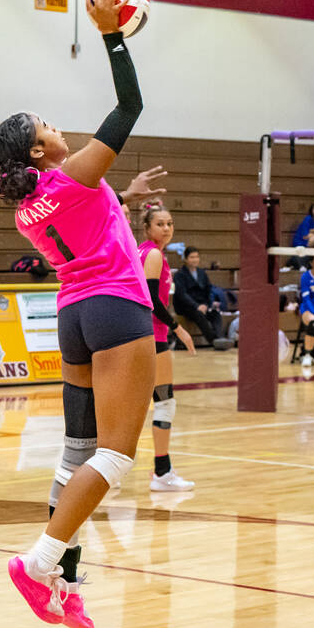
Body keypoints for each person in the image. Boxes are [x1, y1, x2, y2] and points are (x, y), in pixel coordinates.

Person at [0, 0, 166, 628]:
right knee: (115, 458)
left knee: (75, 454)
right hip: (116, 310)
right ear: (39, 152)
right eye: (50, 127)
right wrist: (111, 33)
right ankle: (37, 564)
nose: (60, 129)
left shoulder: (30, 210)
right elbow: (131, 104)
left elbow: (93, 213)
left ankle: (61, 584)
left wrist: (127, 191)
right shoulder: (77, 176)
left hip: (73, 319)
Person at [138, 205, 197, 492]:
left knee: (138, 404)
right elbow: (151, 298)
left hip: (142, 335)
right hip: (153, 336)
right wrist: (178, 328)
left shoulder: (143, 251)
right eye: (160, 223)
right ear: (147, 227)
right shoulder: (152, 255)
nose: (166, 228)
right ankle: (162, 472)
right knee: (164, 402)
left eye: (170, 223)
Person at [172, 247, 234, 350]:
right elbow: (181, 294)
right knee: (199, 315)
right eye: (192, 257)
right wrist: (196, 306)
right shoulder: (179, 275)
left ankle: (219, 338)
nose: (195, 259)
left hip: (201, 305)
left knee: (215, 314)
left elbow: (208, 291)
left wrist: (206, 305)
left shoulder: (202, 273)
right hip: (186, 307)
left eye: (196, 257)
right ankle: (214, 341)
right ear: (186, 259)